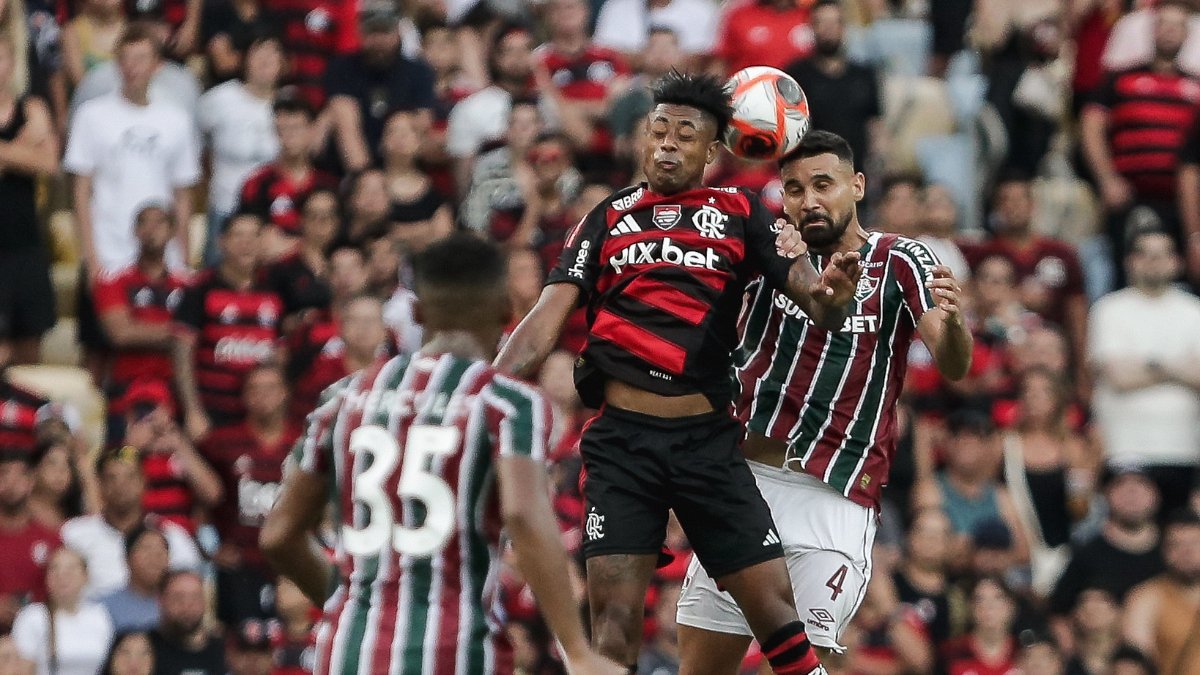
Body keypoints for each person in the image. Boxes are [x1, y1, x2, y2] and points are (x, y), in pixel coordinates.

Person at [495, 73, 861, 674]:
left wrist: (834, 294)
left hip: (706, 444)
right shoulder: (607, 217)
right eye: (657, 130)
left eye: (685, 134)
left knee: (775, 613)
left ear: (712, 151)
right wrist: (478, 393)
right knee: (611, 625)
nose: (666, 144)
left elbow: (814, 298)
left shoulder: (742, 213)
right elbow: (543, 322)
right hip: (621, 447)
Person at [260, 234, 623, 675]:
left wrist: (346, 601)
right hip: (454, 652)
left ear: (415, 313)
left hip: (348, 651)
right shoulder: (507, 403)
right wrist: (578, 652)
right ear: (507, 313)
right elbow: (525, 516)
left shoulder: (344, 397)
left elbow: (278, 535)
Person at [674, 129, 971, 667]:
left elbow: (953, 363)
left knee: (804, 660)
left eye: (822, 184)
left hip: (831, 498)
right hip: (745, 488)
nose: (808, 200)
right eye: (793, 189)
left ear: (857, 186)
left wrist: (953, 324)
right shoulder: (770, 253)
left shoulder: (900, 260)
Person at [65, 21, 199, 279]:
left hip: (162, 256)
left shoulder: (176, 119)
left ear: (157, 65)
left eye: (140, 58)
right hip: (108, 254)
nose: (132, 67)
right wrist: (91, 258)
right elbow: (81, 192)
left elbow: (182, 195)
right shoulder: (91, 115)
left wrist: (182, 258)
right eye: (125, 59)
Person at [1081, 0, 1200, 282]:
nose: (1170, 31)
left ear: (1187, 34)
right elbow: (1091, 126)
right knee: (1124, 274)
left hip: (1182, 202)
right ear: (1152, 30)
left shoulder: (1196, 86)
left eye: (1177, 26)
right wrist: (1107, 178)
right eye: (1164, 24)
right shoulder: (1120, 78)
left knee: (1183, 278)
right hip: (1130, 196)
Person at [1089, 229, 1200, 515]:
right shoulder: (1109, 309)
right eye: (1145, 254)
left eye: (1162, 255)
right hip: (1124, 447)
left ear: (1177, 261)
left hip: (1184, 448)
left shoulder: (1194, 311)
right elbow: (1118, 377)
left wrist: (1147, 365)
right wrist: (1178, 368)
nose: (1154, 262)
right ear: (1130, 261)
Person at [201, 365, 300, 625]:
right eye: (254, 389)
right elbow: (198, 499)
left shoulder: (305, 442)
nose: (262, 396)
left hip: (293, 567)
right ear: (243, 396)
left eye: (271, 388)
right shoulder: (221, 442)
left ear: (285, 393)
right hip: (240, 567)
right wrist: (206, 549)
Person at [172, 212, 284, 440]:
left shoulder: (277, 288)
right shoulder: (200, 288)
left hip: (258, 418)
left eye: (254, 237)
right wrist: (193, 411)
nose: (246, 244)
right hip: (211, 414)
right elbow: (182, 354)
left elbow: (281, 354)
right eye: (238, 236)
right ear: (221, 241)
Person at [92, 203, 190, 437]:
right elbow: (121, 334)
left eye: (159, 222)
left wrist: (143, 330)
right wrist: (176, 333)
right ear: (134, 232)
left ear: (172, 231)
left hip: (175, 389)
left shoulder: (189, 285)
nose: (151, 229)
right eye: (143, 223)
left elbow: (197, 334)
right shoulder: (113, 280)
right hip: (125, 388)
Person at [60, 446, 202, 599]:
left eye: (130, 477)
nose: (121, 485)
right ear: (99, 485)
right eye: (112, 478)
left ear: (144, 482)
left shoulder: (172, 537)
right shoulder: (74, 534)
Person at [197, 33, 284, 265]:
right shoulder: (219, 99)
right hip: (224, 207)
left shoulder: (290, 102)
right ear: (245, 59)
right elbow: (197, 146)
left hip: (272, 212)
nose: (266, 59)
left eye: (273, 53)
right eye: (259, 53)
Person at [0, 30, 59, 366]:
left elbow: (48, 163)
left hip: (25, 241)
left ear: (11, 63)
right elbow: (33, 159)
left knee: (29, 349)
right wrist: (22, 150)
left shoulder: (32, 108)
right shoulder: (30, 122)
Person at [324, 0, 435, 173]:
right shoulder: (343, 68)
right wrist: (366, 179)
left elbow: (420, 127)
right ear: (360, 32)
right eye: (372, 32)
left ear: (398, 32)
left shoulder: (419, 71)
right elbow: (347, 129)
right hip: (353, 170)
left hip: (404, 168)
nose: (379, 40)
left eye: (385, 31)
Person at [1048, 466, 1165, 625]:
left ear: (1156, 495)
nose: (1131, 493)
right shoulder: (1086, 554)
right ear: (1105, 494)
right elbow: (1059, 614)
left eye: (1141, 484)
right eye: (1120, 485)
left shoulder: (1174, 551)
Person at [784, 0, 884, 173]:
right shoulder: (796, 75)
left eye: (835, 22)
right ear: (811, 27)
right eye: (821, 22)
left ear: (844, 27)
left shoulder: (864, 75)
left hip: (856, 172)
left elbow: (875, 124)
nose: (828, 29)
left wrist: (880, 161)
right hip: (812, 172)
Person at [237, 96, 338, 261]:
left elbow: (333, 238)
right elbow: (253, 238)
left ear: (312, 130)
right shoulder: (257, 183)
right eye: (283, 129)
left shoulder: (328, 184)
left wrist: (294, 246)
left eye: (297, 128)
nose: (290, 136)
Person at [11, 547, 114, 675]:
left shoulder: (99, 615)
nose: (62, 576)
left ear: (85, 576)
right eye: (54, 569)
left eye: (71, 569)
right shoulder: (32, 616)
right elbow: (21, 668)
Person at [1122, 509, 1200, 674]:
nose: (1186, 552)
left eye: (1194, 543)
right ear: (1164, 550)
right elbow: (1137, 664)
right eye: (1176, 544)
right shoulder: (1146, 598)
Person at [0, 446, 61, 634]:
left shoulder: (51, 538)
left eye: (20, 476)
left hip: (37, 639)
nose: (11, 483)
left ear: (31, 481)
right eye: (3, 475)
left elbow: (61, 597)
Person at [938, 576, 1020, 674]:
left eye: (998, 598)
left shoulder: (1023, 652)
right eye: (979, 599)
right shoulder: (951, 652)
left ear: (1011, 606)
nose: (988, 606)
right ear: (970, 608)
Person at [150, 571, 226, 675]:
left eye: (195, 597)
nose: (187, 605)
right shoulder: (144, 649)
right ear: (160, 600)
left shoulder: (225, 652)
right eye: (178, 597)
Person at [99, 523, 168, 632]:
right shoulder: (105, 607)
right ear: (127, 558)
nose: (155, 558)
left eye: (160, 551)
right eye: (147, 549)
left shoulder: (176, 603)